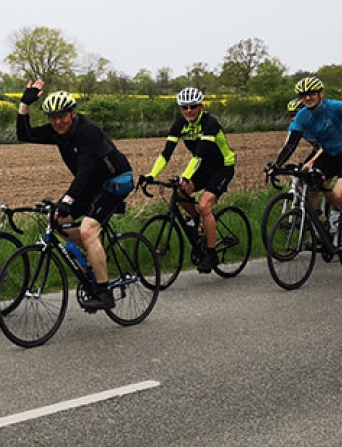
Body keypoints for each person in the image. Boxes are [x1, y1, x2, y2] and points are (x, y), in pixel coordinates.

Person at [16, 79, 134, 310]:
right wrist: (24, 104)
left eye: (62, 116)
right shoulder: (57, 131)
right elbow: (25, 134)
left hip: (115, 182)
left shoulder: (88, 131)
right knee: (58, 221)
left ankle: (104, 293)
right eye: (53, 117)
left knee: (88, 229)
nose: (58, 122)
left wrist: (68, 200)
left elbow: (85, 172)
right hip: (92, 185)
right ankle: (95, 256)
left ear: (73, 113)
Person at [140, 87, 236, 273]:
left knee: (204, 205)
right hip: (202, 168)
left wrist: (185, 176)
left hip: (222, 167)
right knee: (180, 193)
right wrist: (151, 175)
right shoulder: (180, 125)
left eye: (193, 106)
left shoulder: (210, 124)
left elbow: (199, 155)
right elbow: (166, 154)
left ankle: (211, 253)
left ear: (200, 106)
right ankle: (198, 222)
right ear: (180, 109)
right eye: (184, 107)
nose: (189, 111)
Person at [269, 76, 342, 246]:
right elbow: (291, 144)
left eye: (312, 94)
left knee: (339, 194)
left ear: (320, 94)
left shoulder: (333, 106)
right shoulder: (302, 116)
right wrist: (276, 165)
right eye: (303, 95)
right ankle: (323, 227)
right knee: (310, 186)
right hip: (330, 154)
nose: (308, 98)